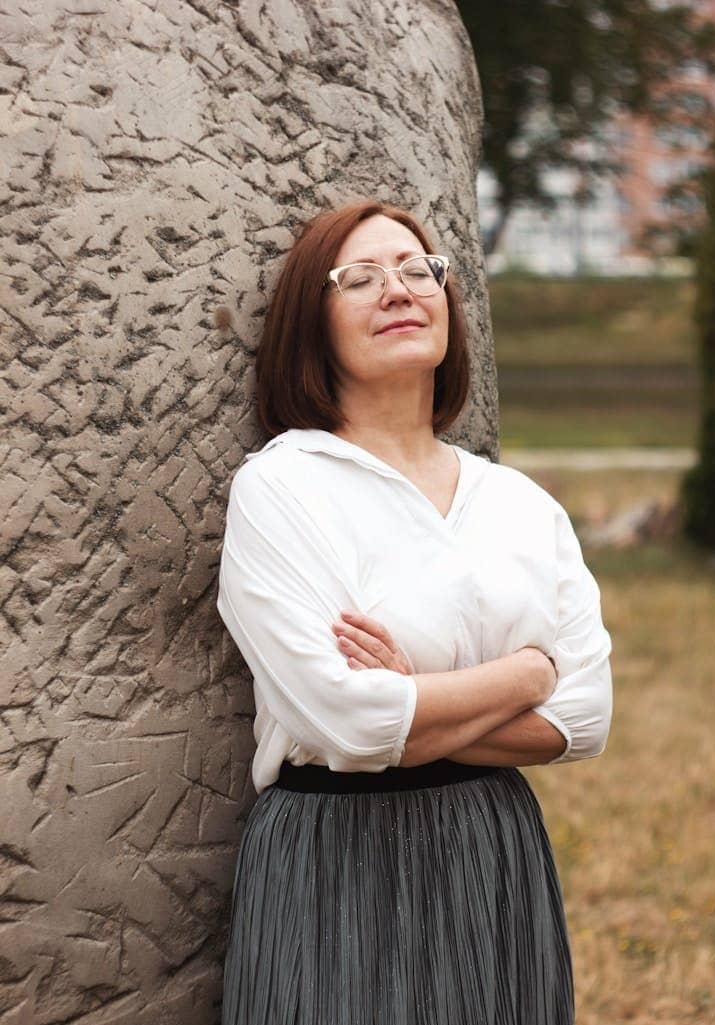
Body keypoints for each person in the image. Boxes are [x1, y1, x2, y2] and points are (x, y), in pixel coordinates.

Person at [216, 198, 613, 1025]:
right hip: (335, 858)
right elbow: (348, 724)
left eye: (415, 270)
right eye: (358, 278)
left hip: (491, 846)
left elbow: (584, 717)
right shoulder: (282, 487)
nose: (397, 289)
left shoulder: (519, 503)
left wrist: (415, 696)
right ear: (311, 326)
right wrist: (523, 672)